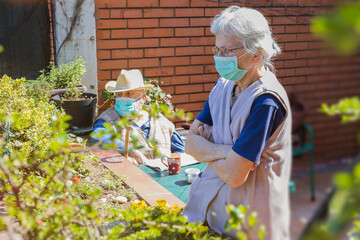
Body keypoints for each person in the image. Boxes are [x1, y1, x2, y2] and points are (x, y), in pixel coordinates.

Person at [182, 6, 292, 240]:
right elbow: (190, 143)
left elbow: (235, 176)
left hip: (248, 225)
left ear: (256, 55)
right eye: (217, 49)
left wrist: (210, 152)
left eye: (227, 51)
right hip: (208, 214)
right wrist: (226, 151)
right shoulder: (222, 86)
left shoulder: (266, 101)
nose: (219, 58)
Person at [92, 69, 185, 165]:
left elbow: (180, 151)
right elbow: (98, 137)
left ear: (143, 98)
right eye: (119, 94)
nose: (122, 98)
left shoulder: (160, 121)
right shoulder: (108, 119)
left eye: (128, 93)